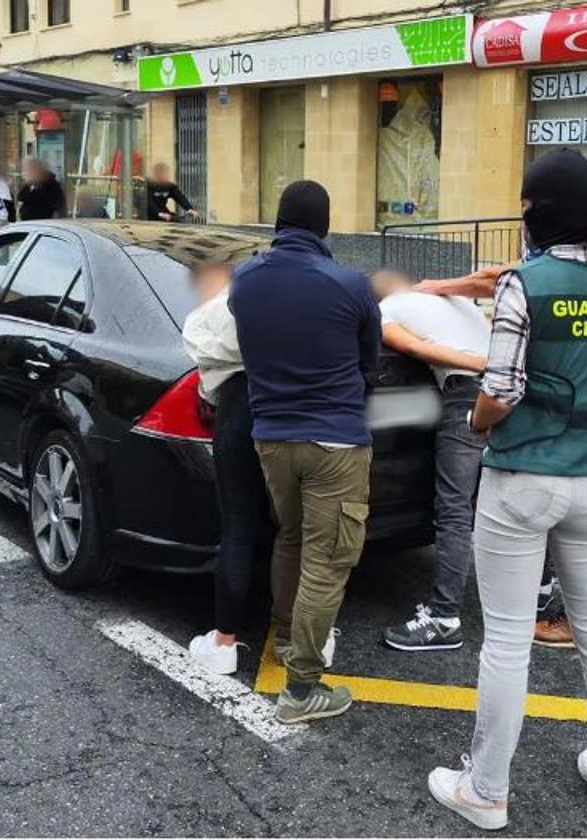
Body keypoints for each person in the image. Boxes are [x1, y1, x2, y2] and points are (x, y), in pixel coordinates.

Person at [428, 149, 587, 829]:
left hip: (522, 479)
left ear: (539, 213)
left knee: (504, 641)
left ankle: (487, 791)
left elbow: (502, 388)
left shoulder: (527, 283)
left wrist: (476, 421)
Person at [228, 180, 380, 725]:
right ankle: (302, 688)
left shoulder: (243, 280)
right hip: (334, 441)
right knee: (328, 560)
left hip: (271, 438)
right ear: (324, 225)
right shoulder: (349, 284)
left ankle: (289, 634)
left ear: (278, 221)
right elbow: (370, 364)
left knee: (290, 538)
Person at [369, 269, 490, 652]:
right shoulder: (456, 301)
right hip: (512, 391)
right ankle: (543, 594)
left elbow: (416, 350)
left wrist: (475, 364)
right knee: (522, 493)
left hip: (467, 394)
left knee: (454, 508)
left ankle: (444, 620)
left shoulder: (387, 309)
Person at [183, 262, 272, 675]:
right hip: (290, 408)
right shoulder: (290, 304)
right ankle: (307, 636)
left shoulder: (205, 315)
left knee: (238, 526)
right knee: (298, 528)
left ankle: (224, 643)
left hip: (236, 410)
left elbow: (205, 374)